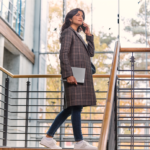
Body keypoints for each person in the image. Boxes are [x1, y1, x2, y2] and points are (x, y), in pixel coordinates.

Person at [40, 8, 97, 149]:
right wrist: (68, 74)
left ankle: (48, 138)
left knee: (71, 108)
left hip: (79, 73)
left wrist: (88, 35)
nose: (80, 17)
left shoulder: (78, 35)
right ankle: (79, 142)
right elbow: (63, 54)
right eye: (77, 15)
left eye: (82, 16)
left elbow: (91, 53)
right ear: (70, 18)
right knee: (76, 107)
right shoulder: (68, 33)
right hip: (73, 73)